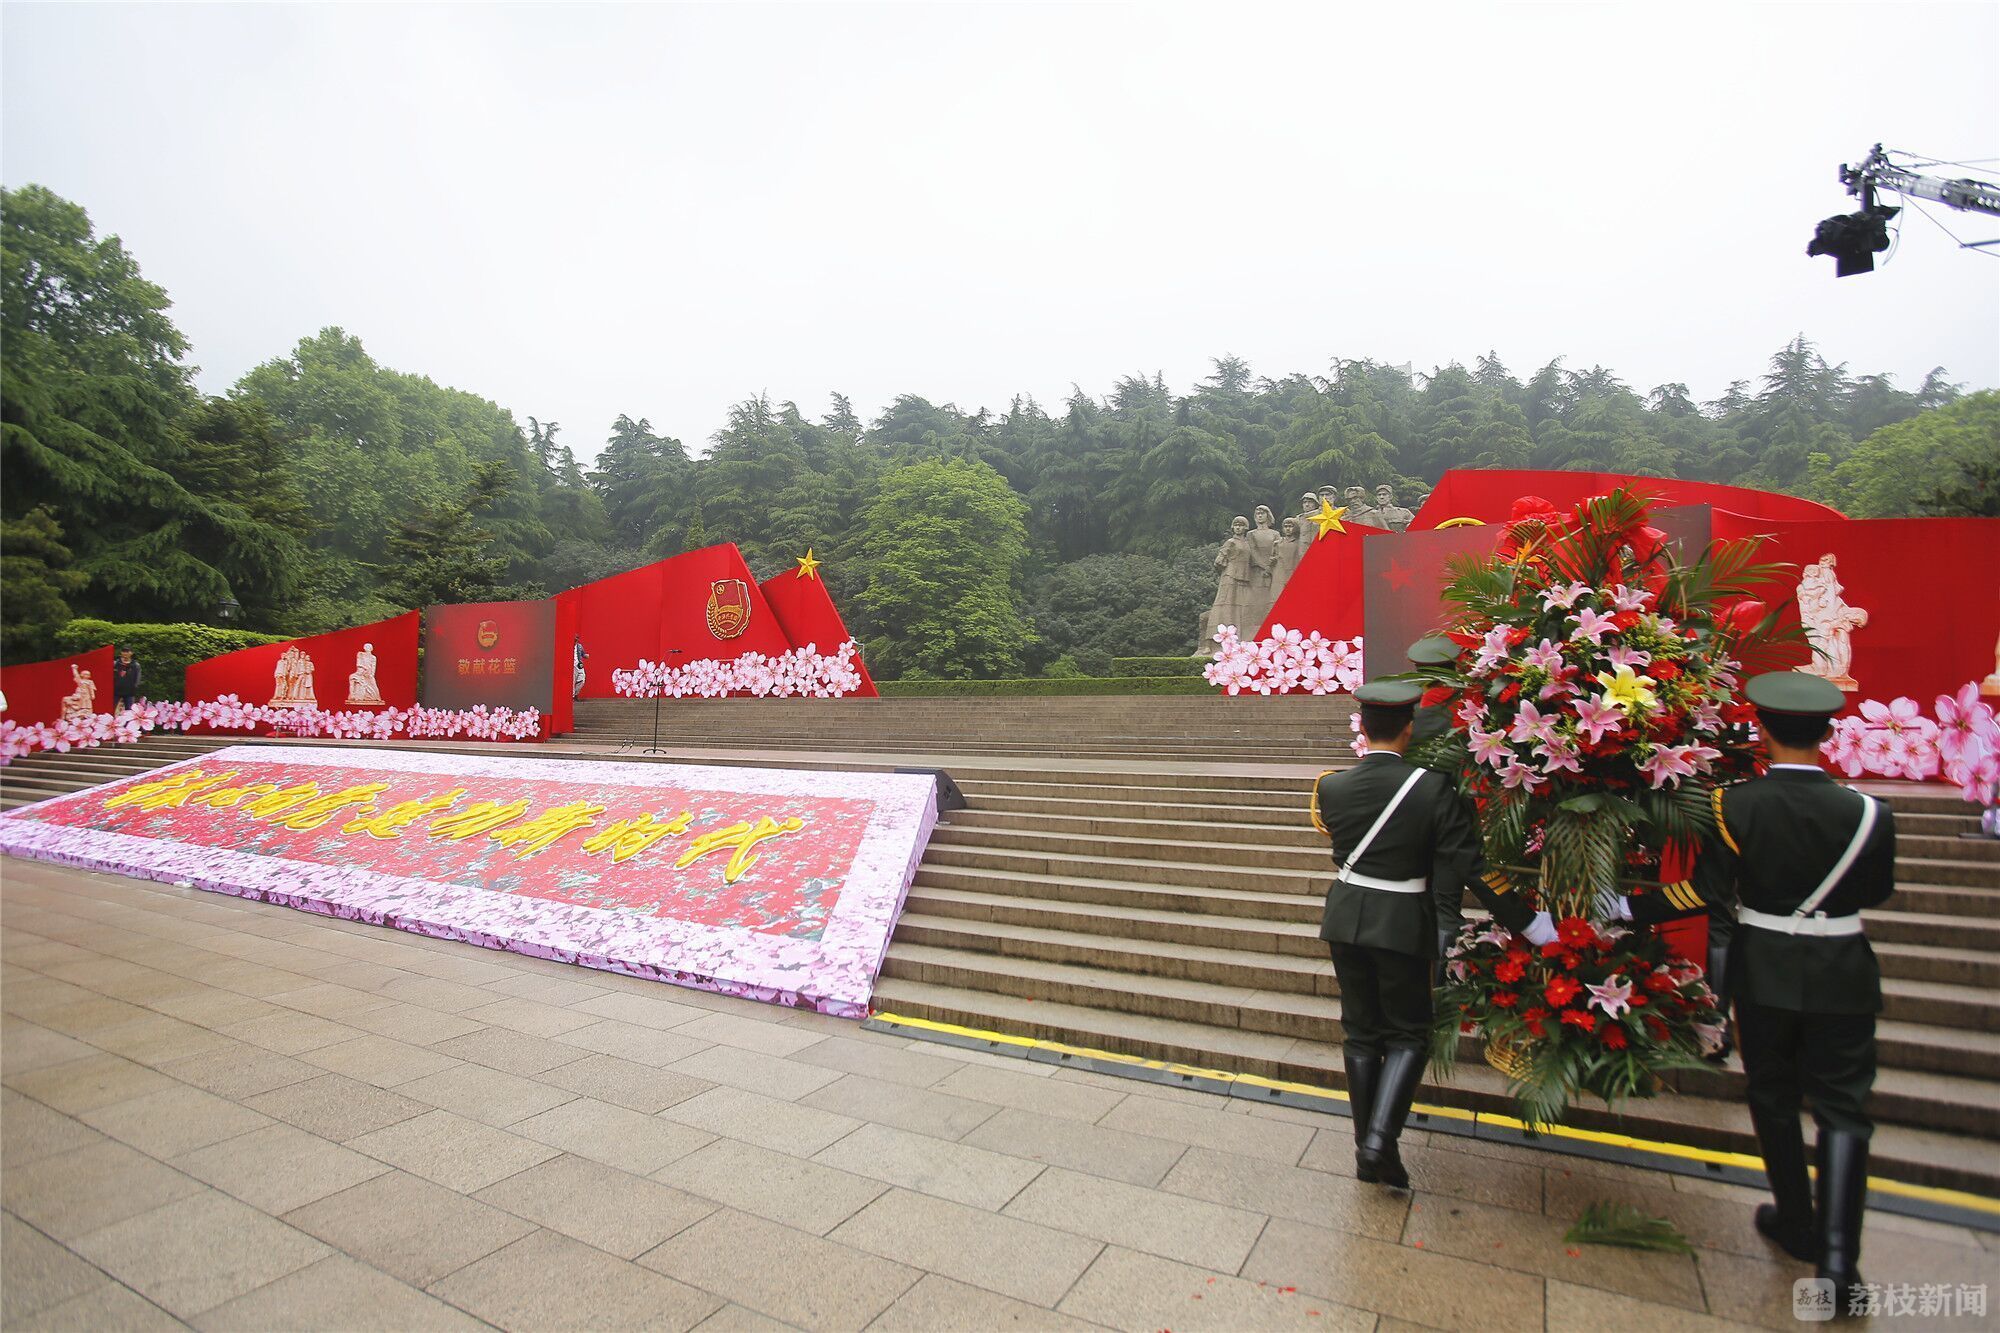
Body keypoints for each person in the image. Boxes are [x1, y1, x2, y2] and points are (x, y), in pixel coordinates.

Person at [1600, 672, 1893, 1314]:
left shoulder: (1733, 806)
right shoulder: (1872, 813)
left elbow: (1702, 891)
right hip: (1844, 969)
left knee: (1773, 1093)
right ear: (1828, 732)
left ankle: (1795, 1218)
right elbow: (1875, 894)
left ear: (1762, 731)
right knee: (1845, 1109)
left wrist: (1628, 907)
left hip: (1765, 970)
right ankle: (1840, 1261)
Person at [1313, 679, 1555, 1187]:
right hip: (1400, 920)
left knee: (1360, 1032)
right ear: (1407, 731)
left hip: (1344, 916)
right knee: (1407, 1033)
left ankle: (1369, 1147)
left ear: (1362, 726)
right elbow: (1472, 867)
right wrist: (1526, 921)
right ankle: (1378, 1142)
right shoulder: (1433, 789)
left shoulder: (1330, 786)